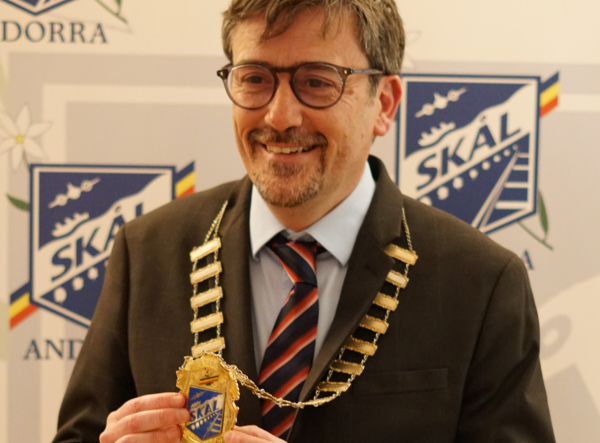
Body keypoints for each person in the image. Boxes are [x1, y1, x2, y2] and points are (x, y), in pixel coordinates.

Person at [53, 1, 556, 442]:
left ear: (383, 104)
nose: (279, 117)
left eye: (317, 82)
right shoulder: (147, 252)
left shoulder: (481, 283)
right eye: (255, 78)